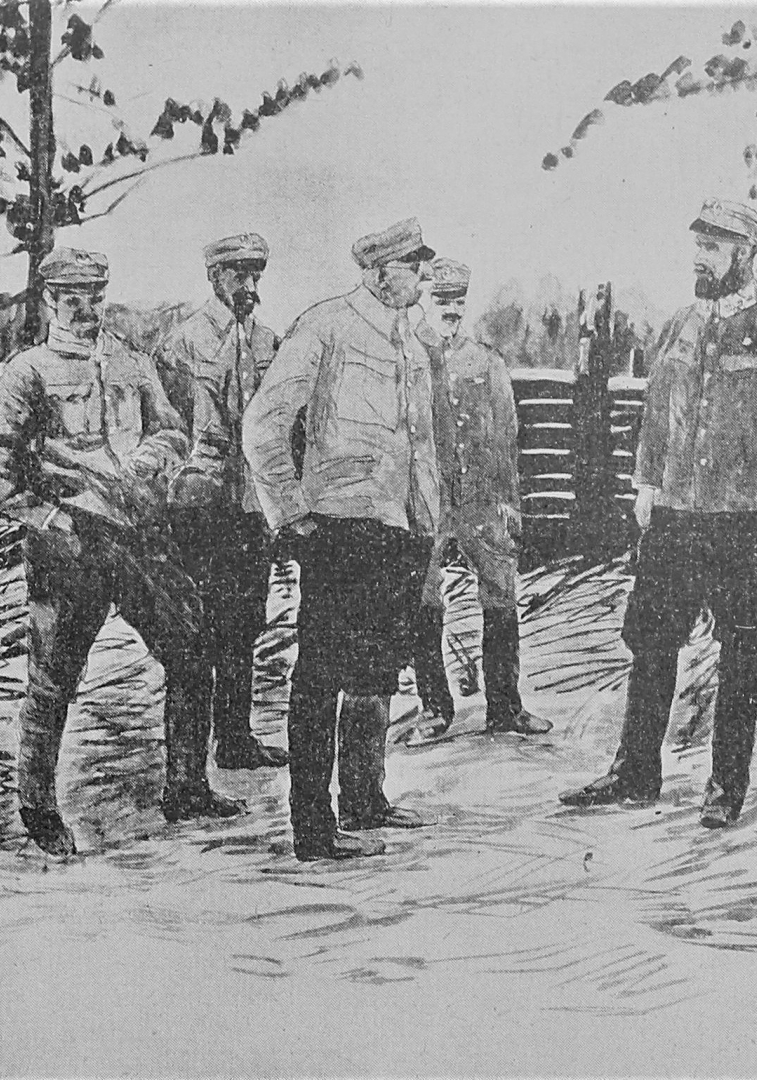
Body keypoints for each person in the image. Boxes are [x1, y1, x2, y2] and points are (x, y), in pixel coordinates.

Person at [559, 199, 757, 828]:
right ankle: (635, 771)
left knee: (741, 648)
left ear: (745, 252)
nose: (699, 258)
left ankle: (726, 784)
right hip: (675, 512)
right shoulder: (681, 323)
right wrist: (645, 482)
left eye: (712, 247)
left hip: (742, 517)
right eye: (697, 245)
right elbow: (656, 411)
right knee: (651, 640)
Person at [0, 248, 238, 859]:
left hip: (138, 533)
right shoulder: (28, 372)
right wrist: (51, 520)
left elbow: (171, 430)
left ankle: (187, 787)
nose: (87, 307)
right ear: (49, 300)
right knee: (54, 676)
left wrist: (149, 460)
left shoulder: (130, 361)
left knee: (190, 646)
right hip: (70, 542)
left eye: (95, 295)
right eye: (73, 297)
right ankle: (38, 808)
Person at [242, 218, 441, 861]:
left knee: (376, 670)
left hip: (397, 529)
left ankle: (364, 799)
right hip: (339, 527)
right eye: (412, 267)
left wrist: (428, 526)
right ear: (381, 272)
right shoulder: (326, 325)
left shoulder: (411, 342)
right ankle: (312, 825)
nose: (422, 278)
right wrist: (290, 513)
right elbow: (265, 422)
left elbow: (421, 444)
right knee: (322, 674)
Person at [157, 233, 289, 773]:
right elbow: (166, 428)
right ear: (215, 278)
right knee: (195, 630)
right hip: (199, 506)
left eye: (256, 276)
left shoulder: (270, 343)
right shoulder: (181, 344)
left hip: (251, 506)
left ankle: (235, 739)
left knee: (245, 623)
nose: (250, 286)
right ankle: (188, 763)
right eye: (239, 276)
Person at [408, 257, 552, 745]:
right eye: (442, 300)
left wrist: (508, 500)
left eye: (458, 301)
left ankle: (506, 708)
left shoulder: (486, 361)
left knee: (501, 596)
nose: (451, 309)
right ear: (425, 301)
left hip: (481, 501)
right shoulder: (407, 355)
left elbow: (506, 436)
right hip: (427, 501)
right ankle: (434, 707)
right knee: (424, 600)